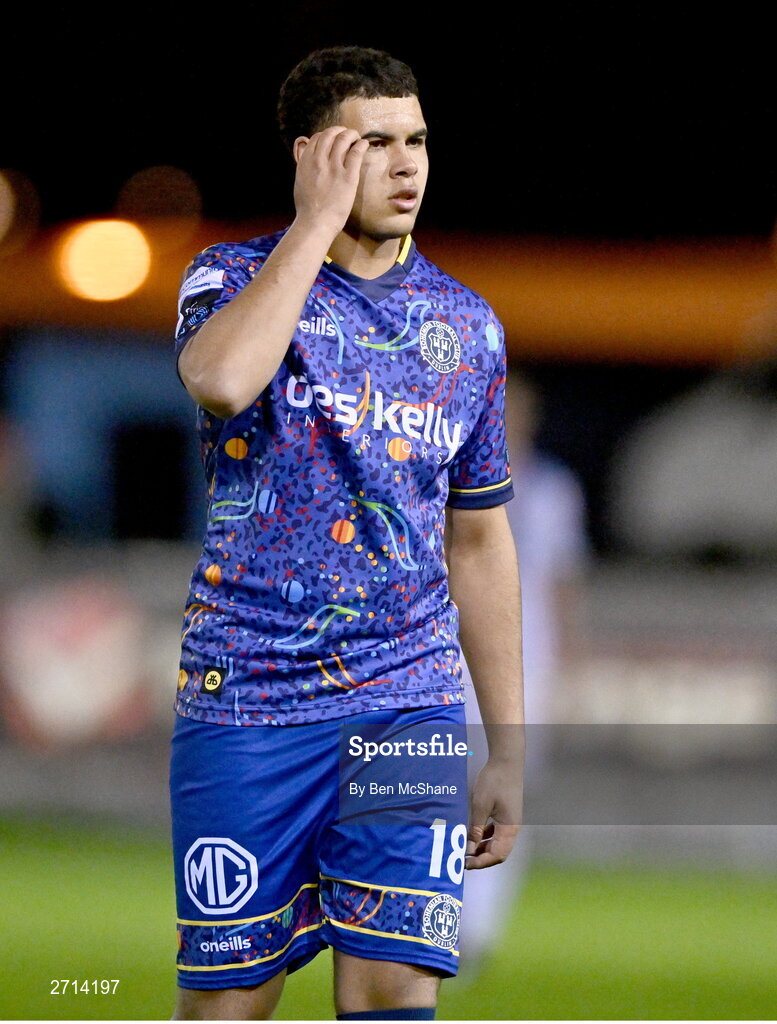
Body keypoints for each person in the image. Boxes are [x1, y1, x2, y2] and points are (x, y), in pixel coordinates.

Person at [169, 45, 524, 1021]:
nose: (408, 165)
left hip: (407, 699)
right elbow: (223, 379)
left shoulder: (468, 327)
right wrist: (316, 223)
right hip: (247, 695)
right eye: (375, 144)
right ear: (315, 155)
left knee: (392, 991)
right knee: (229, 1001)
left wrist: (508, 746)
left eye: (416, 140)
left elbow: (481, 541)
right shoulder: (228, 277)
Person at [458, 368, 589, 967]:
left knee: (509, 794)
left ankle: (479, 929)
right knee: (439, 789)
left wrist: (569, 664)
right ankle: (435, 912)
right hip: (453, 657)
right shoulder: (453, 479)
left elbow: (564, 583)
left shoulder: (553, 491)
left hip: (527, 663)